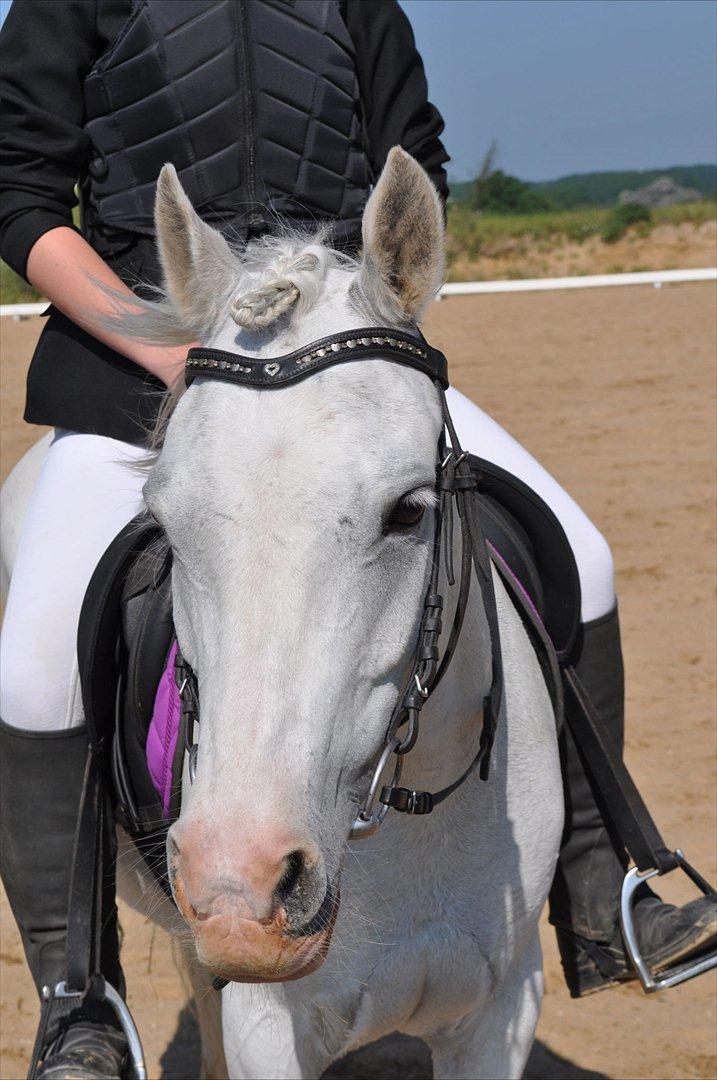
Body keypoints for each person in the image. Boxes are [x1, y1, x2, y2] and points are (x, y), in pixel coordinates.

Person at [0, 1, 713, 1075]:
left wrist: (367, 317)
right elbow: (18, 194)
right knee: (34, 660)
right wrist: (172, 346)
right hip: (144, 361)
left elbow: (411, 157)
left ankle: (597, 881)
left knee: (581, 550)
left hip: (346, 359)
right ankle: (79, 993)